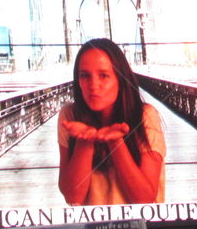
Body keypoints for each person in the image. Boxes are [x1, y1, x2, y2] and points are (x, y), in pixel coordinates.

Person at [57, 38, 165, 205]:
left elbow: (144, 199)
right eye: (84, 76)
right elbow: (73, 197)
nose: (93, 85)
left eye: (104, 76)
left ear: (120, 80)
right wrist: (85, 141)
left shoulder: (145, 115)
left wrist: (115, 142)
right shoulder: (70, 115)